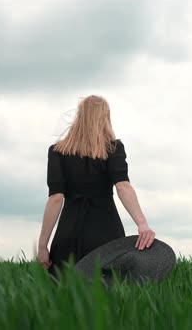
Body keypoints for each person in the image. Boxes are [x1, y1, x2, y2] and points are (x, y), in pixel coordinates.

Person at [36, 95, 156, 279]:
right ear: (105, 118)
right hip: (106, 232)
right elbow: (123, 186)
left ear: (80, 117)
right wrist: (142, 224)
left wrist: (43, 245)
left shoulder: (57, 151)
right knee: (109, 294)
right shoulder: (114, 148)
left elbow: (55, 198)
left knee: (65, 295)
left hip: (69, 232)